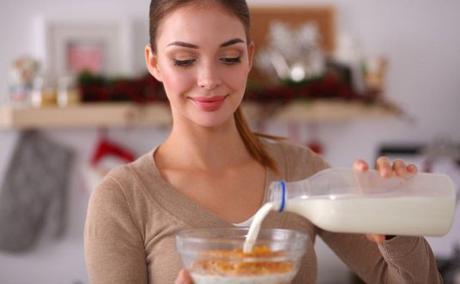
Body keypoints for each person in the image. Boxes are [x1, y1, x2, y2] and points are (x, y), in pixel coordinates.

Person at [84, 0, 443, 283]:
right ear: (154, 62)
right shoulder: (121, 198)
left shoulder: (302, 171)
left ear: (249, 58)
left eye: (229, 57)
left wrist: (396, 224)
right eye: (184, 60)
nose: (208, 79)